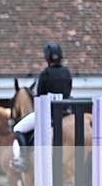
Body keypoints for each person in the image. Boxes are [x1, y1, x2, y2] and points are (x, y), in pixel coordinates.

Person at [10, 42, 73, 171]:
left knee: (18, 128)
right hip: (66, 111)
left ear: (47, 57)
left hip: (48, 113)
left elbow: (39, 96)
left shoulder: (45, 74)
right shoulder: (67, 73)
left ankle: (23, 159)